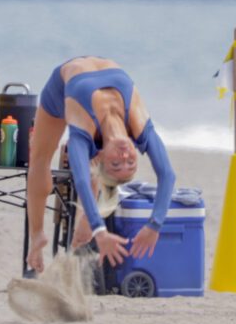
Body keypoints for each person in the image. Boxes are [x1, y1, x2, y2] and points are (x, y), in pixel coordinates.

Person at [26, 56, 175, 274]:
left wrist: (99, 230)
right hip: (102, 74)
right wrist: (154, 225)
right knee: (76, 163)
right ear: (136, 150)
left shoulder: (83, 127)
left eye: (116, 163)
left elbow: (81, 180)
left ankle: (38, 234)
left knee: (39, 159)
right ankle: (54, 228)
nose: (124, 155)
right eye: (131, 161)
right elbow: (167, 174)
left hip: (62, 87)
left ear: (102, 155)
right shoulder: (139, 125)